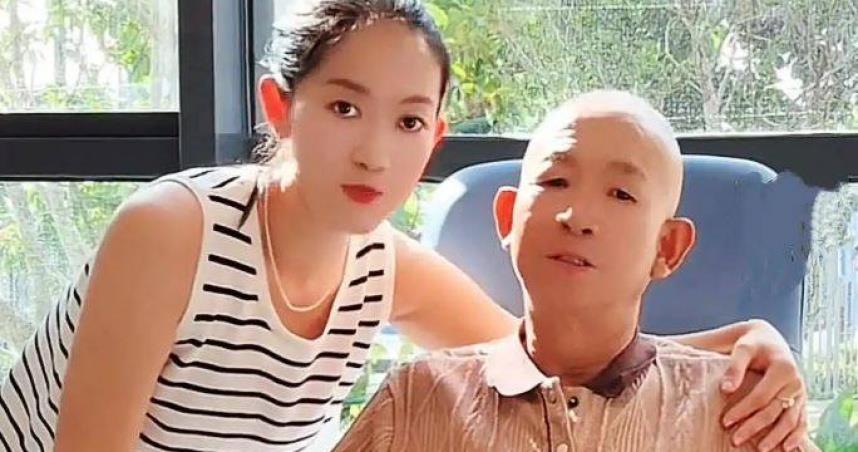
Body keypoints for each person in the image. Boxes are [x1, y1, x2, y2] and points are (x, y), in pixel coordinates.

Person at [0, 1, 805, 451]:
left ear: (435, 139)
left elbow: (552, 349)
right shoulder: (170, 232)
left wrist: (745, 341)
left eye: (409, 121)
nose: (375, 153)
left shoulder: (382, 268)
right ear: (280, 108)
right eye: (345, 108)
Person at [335, 91, 815, 452]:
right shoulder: (414, 401)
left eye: (621, 194)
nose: (577, 216)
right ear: (508, 218)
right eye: (556, 181)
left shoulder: (742, 414)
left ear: (667, 247)